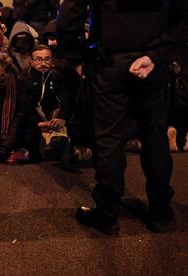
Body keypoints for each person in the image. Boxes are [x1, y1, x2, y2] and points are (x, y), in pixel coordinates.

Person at [57, 0, 188, 234]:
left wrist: (76, 56)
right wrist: (155, 55)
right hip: (152, 65)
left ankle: (107, 214)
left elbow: (69, 13)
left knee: (109, 139)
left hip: (109, 62)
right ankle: (160, 212)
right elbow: (183, 17)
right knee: (155, 137)